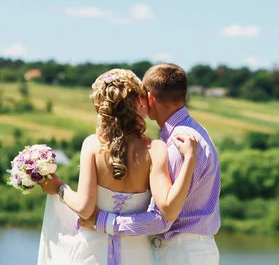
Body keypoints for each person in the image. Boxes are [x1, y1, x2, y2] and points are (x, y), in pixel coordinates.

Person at [38, 68, 199, 265]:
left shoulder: (92, 144)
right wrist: (190, 158)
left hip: (90, 253)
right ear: (139, 102)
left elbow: (84, 209)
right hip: (136, 255)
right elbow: (168, 209)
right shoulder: (156, 149)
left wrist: (60, 188)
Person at [82, 63, 221, 265]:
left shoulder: (177, 144)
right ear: (184, 94)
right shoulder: (198, 131)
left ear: (149, 97)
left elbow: (163, 219)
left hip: (182, 252)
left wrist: (104, 222)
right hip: (199, 249)